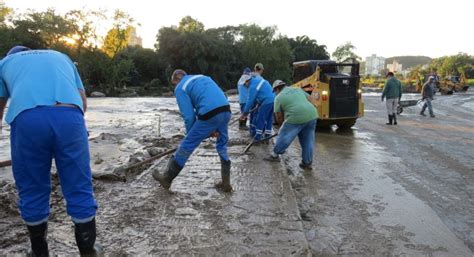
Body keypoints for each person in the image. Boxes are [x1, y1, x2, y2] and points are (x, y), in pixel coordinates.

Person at [0, 46, 102, 256]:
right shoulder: (62, 56)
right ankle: (88, 250)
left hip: (28, 120)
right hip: (70, 117)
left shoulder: (4, 64)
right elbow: (82, 102)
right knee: (79, 185)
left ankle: (39, 251)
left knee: (32, 186)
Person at [153, 70, 233, 192]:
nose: (175, 87)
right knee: (222, 144)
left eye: (174, 84)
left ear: (176, 80)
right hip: (226, 110)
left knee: (187, 144)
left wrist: (192, 135)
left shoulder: (180, 87)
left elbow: (189, 116)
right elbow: (221, 97)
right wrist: (211, 129)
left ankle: (167, 179)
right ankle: (226, 184)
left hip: (209, 113)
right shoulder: (204, 77)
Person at [264, 80, 318, 170]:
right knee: (308, 140)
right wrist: (311, 111)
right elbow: (312, 100)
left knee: (284, 136)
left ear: (277, 89)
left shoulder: (278, 98)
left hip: (296, 116)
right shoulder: (297, 89)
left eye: (275, 92)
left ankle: (274, 155)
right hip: (312, 115)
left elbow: (278, 116)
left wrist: (282, 126)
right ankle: (307, 163)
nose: (275, 94)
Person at [239, 72, 275, 141]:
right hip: (274, 99)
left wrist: (245, 113)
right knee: (269, 118)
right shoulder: (258, 81)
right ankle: (267, 136)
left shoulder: (252, 86)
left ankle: (257, 137)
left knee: (260, 118)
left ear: (247, 81)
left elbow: (250, 100)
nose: (245, 86)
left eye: (244, 84)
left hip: (267, 101)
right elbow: (262, 93)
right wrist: (259, 103)